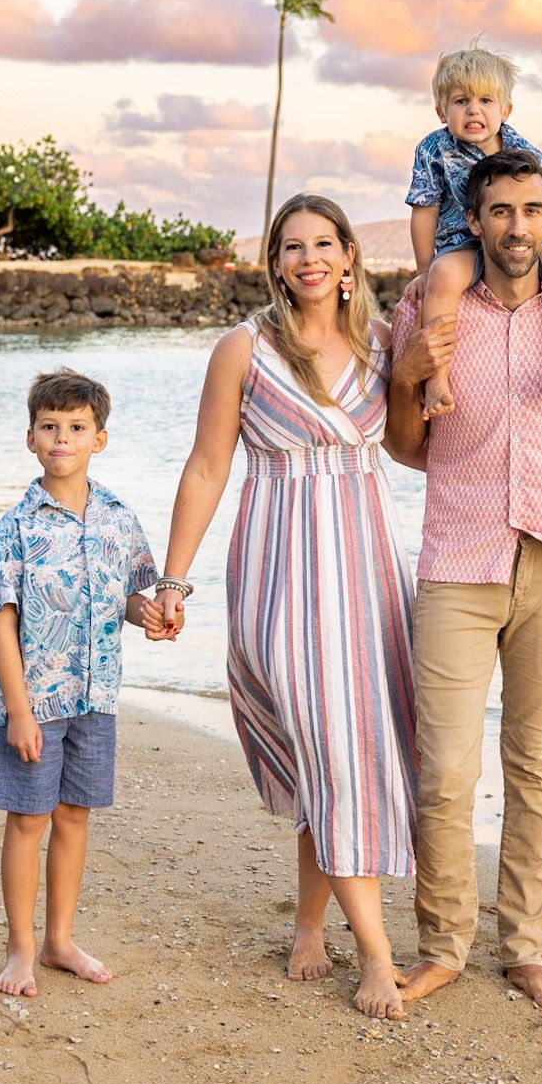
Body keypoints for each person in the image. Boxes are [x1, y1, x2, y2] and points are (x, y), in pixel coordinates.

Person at [149, 193, 438, 1022]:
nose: (309, 258)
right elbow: (207, 468)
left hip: (368, 565)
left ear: (350, 258)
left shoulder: (383, 345)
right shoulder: (242, 349)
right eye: (291, 246)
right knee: (332, 743)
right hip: (280, 565)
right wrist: (174, 581)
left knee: (347, 747)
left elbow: (417, 452)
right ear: (274, 262)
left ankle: (311, 923)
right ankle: (377, 957)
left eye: (324, 244)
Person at [389, 146, 542, 1008]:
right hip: (458, 558)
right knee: (444, 769)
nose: (517, 228)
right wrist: (410, 382)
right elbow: (407, 446)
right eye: (500, 212)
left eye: (531, 210)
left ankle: (524, 946)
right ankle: (444, 945)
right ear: (474, 220)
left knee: (535, 765)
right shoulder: (429, 306)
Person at [0, 368, 160, 998]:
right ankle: (21, 949)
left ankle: (60, 940)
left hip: (97, 696)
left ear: (100, 439)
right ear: (31, 438)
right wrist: (18, 709)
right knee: (28, 819)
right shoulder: (17, 527)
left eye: (76, 428)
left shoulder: (118, 517)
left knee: (74, 816)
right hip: (37, 701)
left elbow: (130, 598)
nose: (63, 438)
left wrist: (155, 614)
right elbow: (2, 625)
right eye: (50, 427)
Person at [406, 39, 542, 417]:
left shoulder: (527, 154)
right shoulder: (433, 149)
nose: (473, 110)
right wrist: (424, 269)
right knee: (443, 279)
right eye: (461, 102)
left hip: (525, 241)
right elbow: (424, 210)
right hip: (461, 244)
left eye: (485, 101)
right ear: (442, 110)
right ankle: (438, 379)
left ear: (505, 109)